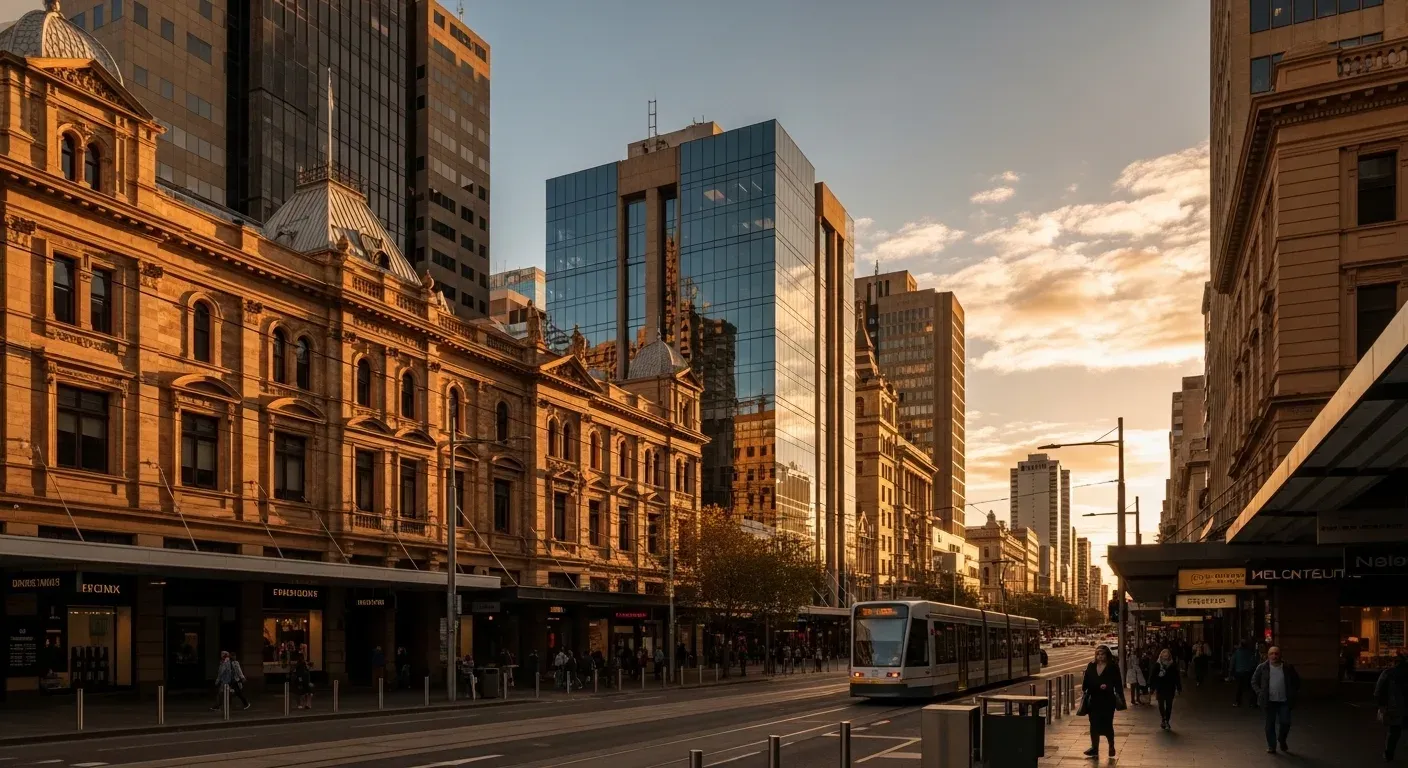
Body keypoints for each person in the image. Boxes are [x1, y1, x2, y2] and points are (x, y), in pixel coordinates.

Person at [1251, 646, 1300, 754]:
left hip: (1284, 701)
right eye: (1272, 654)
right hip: (1269, 702)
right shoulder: (1262, 667)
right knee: (1270, 724)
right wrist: (1260, 693)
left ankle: (1282, 740)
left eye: (1276, 654)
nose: (1274, 656)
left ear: (1280, 655)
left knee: (1286, 722)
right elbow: (1254, 681)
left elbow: (1296, 681)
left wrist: (1292, 692)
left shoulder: (1287, 667)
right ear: (1268, 656)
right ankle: (1271, 746)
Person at [1082, 645, 1123, 758]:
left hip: (1107, 700)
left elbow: (1118, 683)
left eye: (1103, 654)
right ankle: (1094, 748)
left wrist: (1108, 686)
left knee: (1107, 724)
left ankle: (1111, 745)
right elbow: (1085, 682)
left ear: (1107, 655)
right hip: (1094, 699)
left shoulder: (1112, 667)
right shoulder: (1091, 665)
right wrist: (1087, 688)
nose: (1100, 656)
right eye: (1098, 654)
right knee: (1093, 724)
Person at [1375, 649, 1408, 762]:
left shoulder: (1388, 673)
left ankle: (1389, 754)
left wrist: (1382, 706)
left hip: (1395, 707)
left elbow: (1378, 692)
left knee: (1394, 731)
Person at [1150, 648, 1182, 730]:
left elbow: (1176, 677)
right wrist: (1151, 687)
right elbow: (1152, 676)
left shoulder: (1172, 665)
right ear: (1161, 657)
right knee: (1161, 705)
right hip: (1160, 688)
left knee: (1169, 705)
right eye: (1164, 657)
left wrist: (1179, 687)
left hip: (1170, 688)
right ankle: (1163, 718)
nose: (1165, 658)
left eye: (1166, 657)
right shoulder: (1157, 665)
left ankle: (1166, 720)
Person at [1232, 639, 1258, 707]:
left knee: (1239, 688)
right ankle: (1252, 702)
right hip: (1248, 672)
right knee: (1250, 688)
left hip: (1239, 672)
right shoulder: (1250, 652)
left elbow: (1233, 661)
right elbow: (1254, 661)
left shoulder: (1237, 652)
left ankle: (1238, 702)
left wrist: (1231, 671)